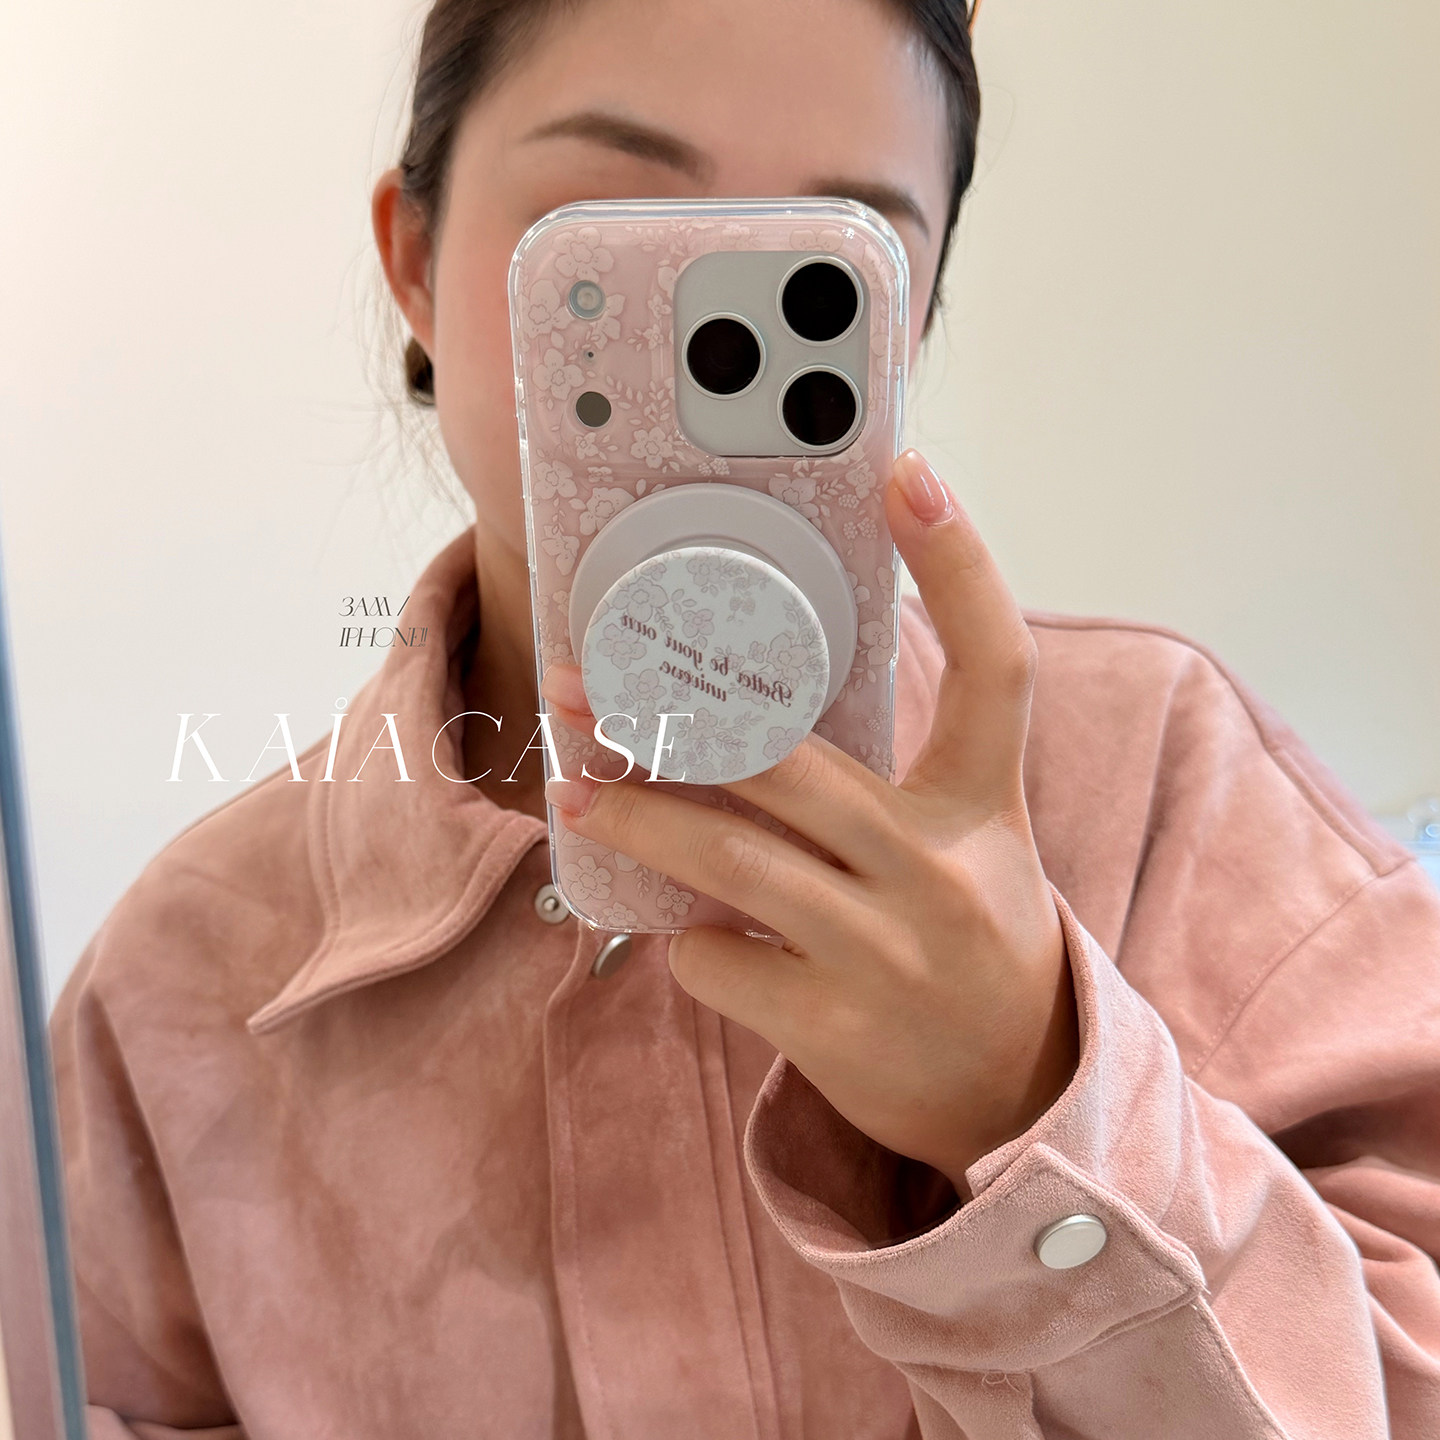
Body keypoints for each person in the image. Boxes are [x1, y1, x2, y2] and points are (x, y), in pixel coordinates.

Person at [51, 1, 1440, 1436]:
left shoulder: (1170, 788)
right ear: (414, 258)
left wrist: (1039, 1107)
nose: (711, 324)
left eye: (826, 258)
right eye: (612, 227)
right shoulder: (182, 987)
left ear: (911, 317)